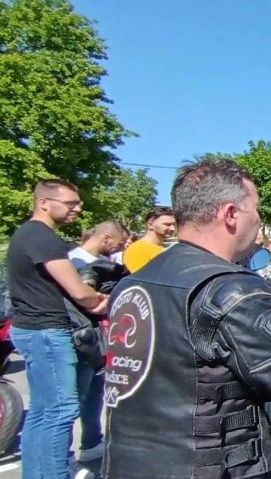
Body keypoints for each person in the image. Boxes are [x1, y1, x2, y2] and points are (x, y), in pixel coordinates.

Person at [104, 158, 271, 479]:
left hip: (127, 465)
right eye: (256, 209)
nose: (259, 220)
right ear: (231, 214)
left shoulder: (132, 283)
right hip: (219, 466)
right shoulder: (236, 289)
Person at [6, 180, 109, 478]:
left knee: (42, 411)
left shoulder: (27, 234)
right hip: (48, 331)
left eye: (78, 203)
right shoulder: (43, 237)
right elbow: (79, 291)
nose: (78, 209)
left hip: (33, 329)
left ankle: (36, 473)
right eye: (71, 204)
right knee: (60, 411)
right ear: (44, 203)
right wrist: (103, 300)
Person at [67, 220, 128, 462]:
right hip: (81, 335)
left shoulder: (105, 263)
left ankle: (91, 443)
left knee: (95, 393)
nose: (121, 248)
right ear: (105, 238)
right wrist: (103, 299)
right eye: (119, 243)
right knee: (75, 398)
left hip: (100, 336)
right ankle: (63, 457)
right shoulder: (73, 261)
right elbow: (84, 299)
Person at [123, 206, 176, 272]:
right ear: (150, 224)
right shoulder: (138, 250)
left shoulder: (162, 248)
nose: (173, 228)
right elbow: (142, 277)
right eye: (167, 224)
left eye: (174, 224)